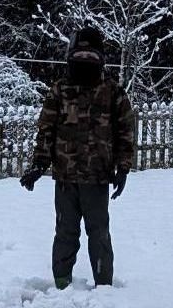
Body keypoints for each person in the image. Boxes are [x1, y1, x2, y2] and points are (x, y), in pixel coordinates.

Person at [19, 27, 136, 290]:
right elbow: (124, 132)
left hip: (81, 177)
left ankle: (86, 285)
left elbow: (123, 131)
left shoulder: (100, 91)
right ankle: (81, 285)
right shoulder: (98, 90)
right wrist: (39, 164)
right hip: (80, 177)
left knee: (73, 233)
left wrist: (124, 168)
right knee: (89, 234)